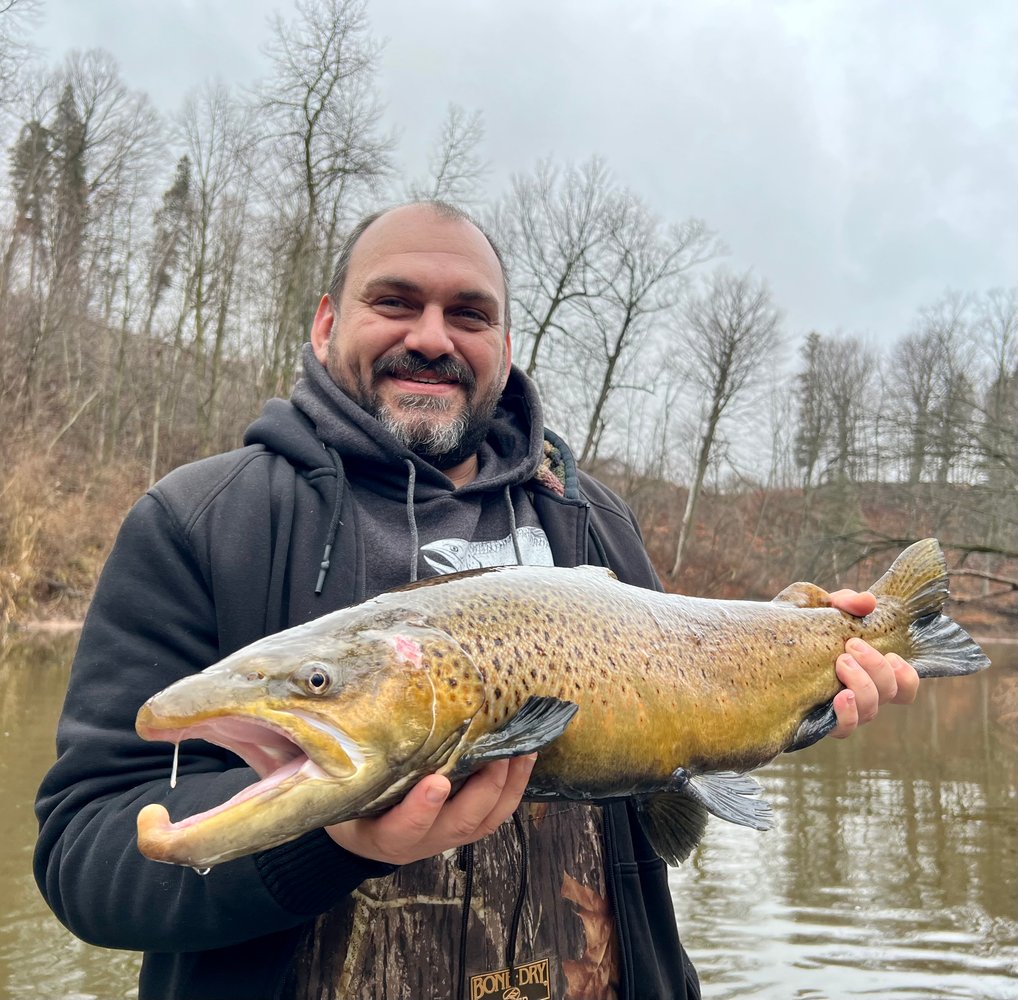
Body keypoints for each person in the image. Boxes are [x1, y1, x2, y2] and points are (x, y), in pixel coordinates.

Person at [34, 201, 919, 1000]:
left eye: (469, 314)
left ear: (503, 342)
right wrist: (330, 842)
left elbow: (679, 739)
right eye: (395, 302)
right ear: (325, 323)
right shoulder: (203, 521)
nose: (432, 337)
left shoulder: (591, 518)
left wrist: (802, 675)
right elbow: (86, 855)